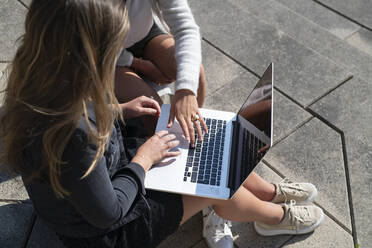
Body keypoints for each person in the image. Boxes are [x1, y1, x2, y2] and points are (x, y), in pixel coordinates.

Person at [0, 1, 324, 248]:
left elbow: (83, 128)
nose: (120, 56)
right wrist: (145, 158)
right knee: (214, 183)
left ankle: (266, 193)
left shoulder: (39, 84)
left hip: (106, 177)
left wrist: (119, 111)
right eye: (114, 49)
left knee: (200, 142)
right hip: (106, 233)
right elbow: (108, 213)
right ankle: (275, 217)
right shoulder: (73, 131)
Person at [114, 0, 207, 147]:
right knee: (153, 111)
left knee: (197, 73)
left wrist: (185, 90)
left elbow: (186, 29)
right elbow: (93, 51)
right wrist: (139, 64)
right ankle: (179, 155)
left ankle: (198, 137)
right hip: (107, 58)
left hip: (143, 35)